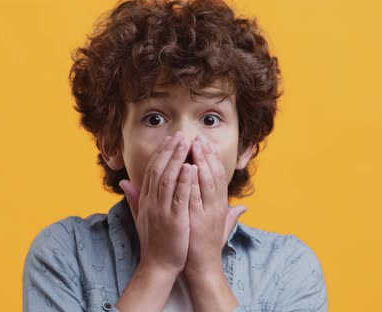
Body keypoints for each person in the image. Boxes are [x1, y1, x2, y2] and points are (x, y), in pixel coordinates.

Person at [23, 0, 328, 311]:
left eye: (210, 119)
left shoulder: (289, 268)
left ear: (244, 146)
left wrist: (206, 271)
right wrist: (157, 268)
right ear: (112, 144)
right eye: (154, 118)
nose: (185, 141)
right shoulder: (64, 253)